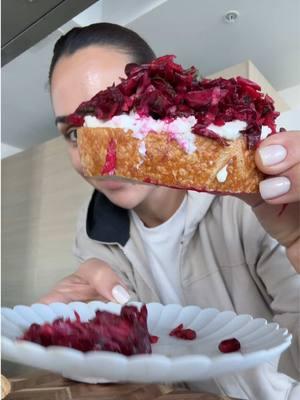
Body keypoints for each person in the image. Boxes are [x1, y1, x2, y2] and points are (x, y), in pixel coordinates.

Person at [42, 23, 300, 399]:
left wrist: (295, 243)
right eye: (75, 134)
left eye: (118, 115)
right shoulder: (91, 229)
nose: (98, 157)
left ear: (163, 104)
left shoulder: (255, 203)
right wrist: (83, 343)